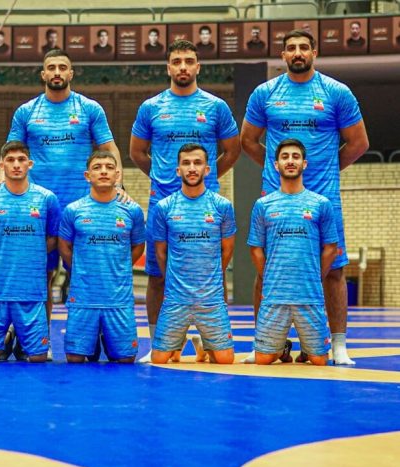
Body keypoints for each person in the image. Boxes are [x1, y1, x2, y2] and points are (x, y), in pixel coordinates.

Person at [241, 29, 369, 365]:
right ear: (283, 55)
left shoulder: (336, 92)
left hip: (324, 196)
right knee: (266, 271)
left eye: (303, 47)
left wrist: (326, 169)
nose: (297, 52)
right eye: (291, 48)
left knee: (334, 269)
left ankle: (338, 344)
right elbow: (248, 140)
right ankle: (267, 342)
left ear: (314, 52)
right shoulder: (265, 93)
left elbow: (358, 143)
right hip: (276, 197)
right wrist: (278, 171)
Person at [7, 48, 123, 360]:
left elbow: (109, 148)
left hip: (82, 209)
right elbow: (12, 153)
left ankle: (89, 339)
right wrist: (4, 188)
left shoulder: (89, 109)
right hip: (39, 210)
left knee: (86, 276)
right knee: (39, 278)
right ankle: (37, 341)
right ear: (43, 74)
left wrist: (118, 185)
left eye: (62, 67)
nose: (57, 72)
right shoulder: (26, 112)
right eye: (51, 67)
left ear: (71, 73)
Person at [129, 39, 240, 363]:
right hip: (162, 200)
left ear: (197, 67)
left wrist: (205, 178)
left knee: (212, 273)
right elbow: (137, 152)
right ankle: (158, 342)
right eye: (176, 61)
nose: (182, 67)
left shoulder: (216, 106)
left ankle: (211, 340)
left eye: (188, 61)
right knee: (157, 275)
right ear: (168, 67)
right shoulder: (151, 107)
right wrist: (165, 178)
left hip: (205, 202)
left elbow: (232, 150)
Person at [0, 141, 60, 363]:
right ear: (2, 165)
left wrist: (36, 254)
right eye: (10, 160)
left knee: (38, 358)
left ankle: (20, 336)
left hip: (31, 290)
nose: (16, 165)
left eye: (21, 160)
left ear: (30, 164)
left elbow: (54, 237)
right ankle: (8, 337)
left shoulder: (47, 198)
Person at [249, 139, 337, 366]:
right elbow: (256, 248)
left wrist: (316, 277)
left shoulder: (321, 204)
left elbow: (331, 248)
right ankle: (282, 348)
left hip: (309, 294)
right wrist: (269, 278)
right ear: (276, 165)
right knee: (262, 360)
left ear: (304, 164)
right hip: (275, 294)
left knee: (319, 361)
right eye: (285, 157)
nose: (290, 161)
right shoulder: (263, 205)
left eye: (295, 157)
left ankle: (309, 349)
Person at [151, 143, 236, 365]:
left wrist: (212, 275)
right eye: (186, 163)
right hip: (176, 297)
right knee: (158, 360)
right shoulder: (164, 207)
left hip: (210, 297)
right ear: (178, 170)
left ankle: (203, 343)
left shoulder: (222, 206)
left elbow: (227, 249)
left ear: (207, 169)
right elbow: (161, 252)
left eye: (197, 163)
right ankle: (177, 344)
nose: (191, 168)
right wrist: (173, 279)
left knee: (225, 360)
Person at [58, 151, 145, 363]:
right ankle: (93, 338)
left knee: (126, 359)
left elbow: (138, 246)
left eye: (109, 167)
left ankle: (105, 336)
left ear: (117, 175)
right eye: (97, 167)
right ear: (87, 176)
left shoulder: (132, 210)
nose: (103, 171)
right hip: (83, 296)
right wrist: (80, 271)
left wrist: (120, 268)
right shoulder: (73, 210)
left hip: (118, 297)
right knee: (75, 358)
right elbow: (64, 247)